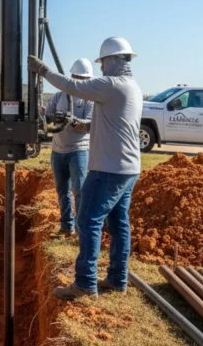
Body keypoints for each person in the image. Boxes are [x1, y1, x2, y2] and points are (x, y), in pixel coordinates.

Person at [29, 37, 142, 299]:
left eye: (103, 62)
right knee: (119, 223)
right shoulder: (133, 87)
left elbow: (72, 86)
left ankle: (85, 283)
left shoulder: (111, 84)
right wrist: (83, 124)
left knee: (88, 219)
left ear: (114, 60)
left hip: (109, 168)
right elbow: (111, 121)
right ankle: (117, 279)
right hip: (128, 167)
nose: (101, 67)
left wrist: (43, 70)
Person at [45, 59, 95, 236]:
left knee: (79, 190)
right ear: (72, 76)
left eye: (82, 78)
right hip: (57, 151)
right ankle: (67, 226)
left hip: (78, 151)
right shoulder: (60, 96)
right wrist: (54, 118)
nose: (79, 81)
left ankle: (81, 230)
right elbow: (47, 116)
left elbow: (88, 126)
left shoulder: (90, 100)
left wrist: (72, 121)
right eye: (77, 77)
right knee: (62, 191)